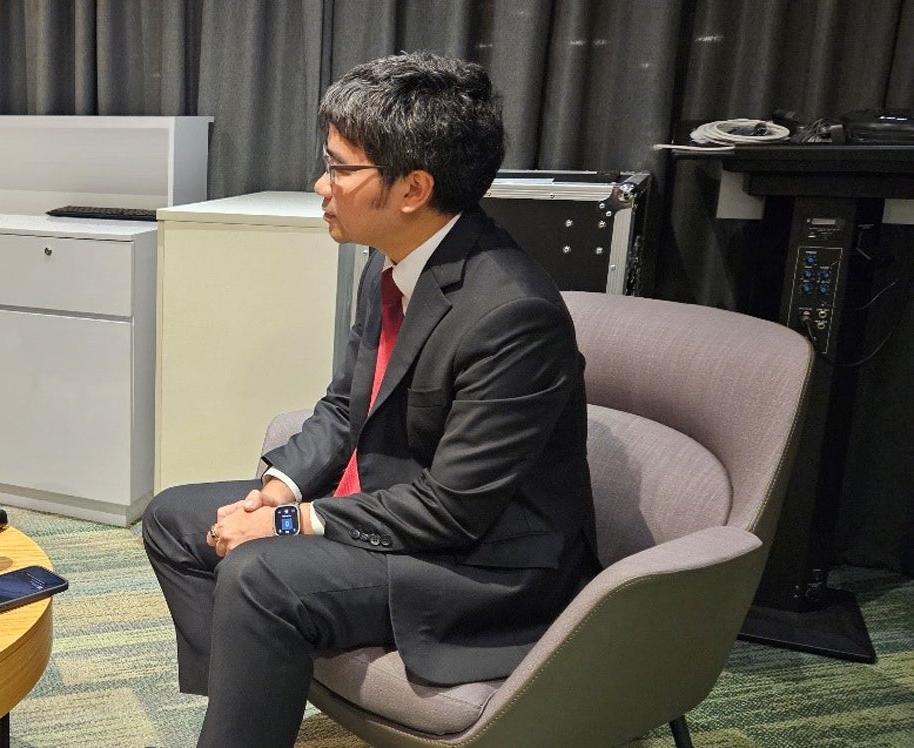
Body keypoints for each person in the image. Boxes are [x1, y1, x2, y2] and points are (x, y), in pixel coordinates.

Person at [141, 52, 599, 747]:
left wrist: (292, 525)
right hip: (389, 506)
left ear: (413, 187)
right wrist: (278, 487)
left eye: (341, 168)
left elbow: (454, 509)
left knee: (262, 571)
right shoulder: (392, 263)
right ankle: (248, 698)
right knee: (175, 517)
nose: (320, 185)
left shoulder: (512, 313)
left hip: (479, 563)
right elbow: (342, 408)